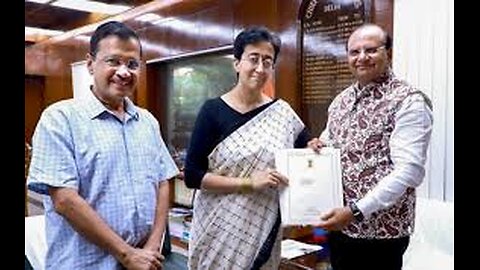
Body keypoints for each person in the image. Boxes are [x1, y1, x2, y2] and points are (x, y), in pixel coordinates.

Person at [27, 21, 179, 270]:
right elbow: (64, 199)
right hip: (85, 264)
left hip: (143, 261)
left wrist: (152, 247)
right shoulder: (60, 119)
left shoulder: (147, 121)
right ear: (90, 64)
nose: (124, 72)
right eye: (113, 61)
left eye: (132, 64)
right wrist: (127, 254)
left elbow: (163, 181)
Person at [307, 23, 434, 270]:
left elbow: (409, 171)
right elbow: (329, 142)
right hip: (340, 225)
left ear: (389, 52)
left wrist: (356, 211)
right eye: (354, 52)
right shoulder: (341, 100)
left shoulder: (409, 101)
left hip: (380, 235)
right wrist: (318, 146)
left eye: (371, 50)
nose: (361, 57)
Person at [184, 26, 310, 269]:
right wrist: (249, 183)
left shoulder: (282, 114)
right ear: (237, 63)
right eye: (253, 59)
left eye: (268, 61)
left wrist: (315, 147)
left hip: (263, 229)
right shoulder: (212, 111)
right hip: (217, 231)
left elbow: (305, 153)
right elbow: (193, 176)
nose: (260, 68)